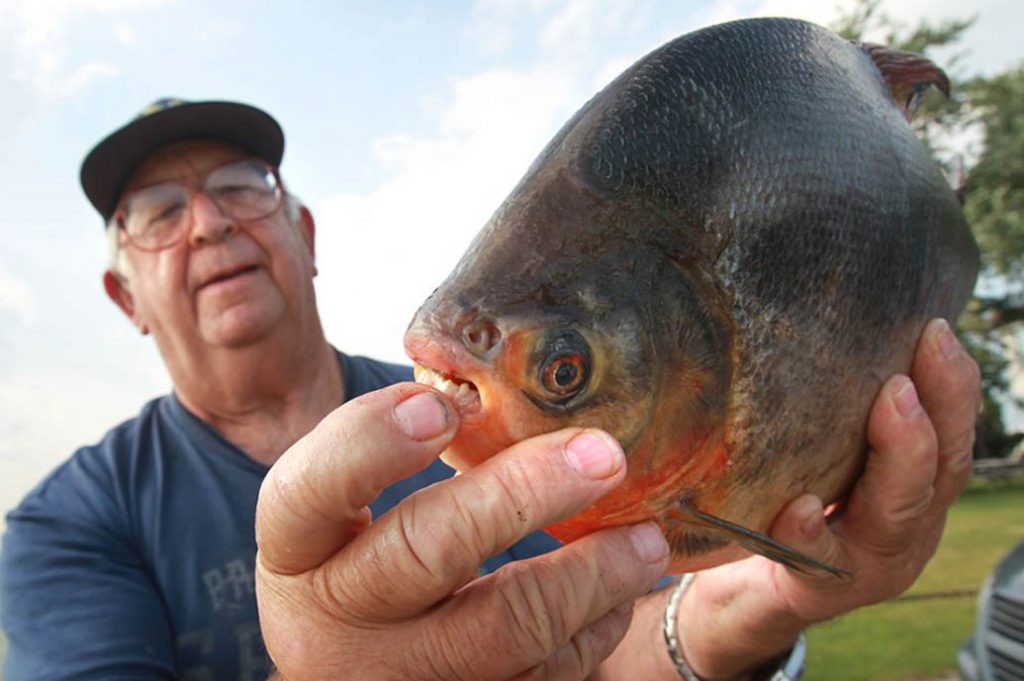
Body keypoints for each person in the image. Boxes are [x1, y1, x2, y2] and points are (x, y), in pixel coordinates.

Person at [0, 98, 979, 681]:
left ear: (305, 236)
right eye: (156, 210)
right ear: (123, 297)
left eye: (243, 185)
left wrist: (739, 610)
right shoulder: (67, 524)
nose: (210, 223)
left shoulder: (495, 419)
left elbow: (610, 650)